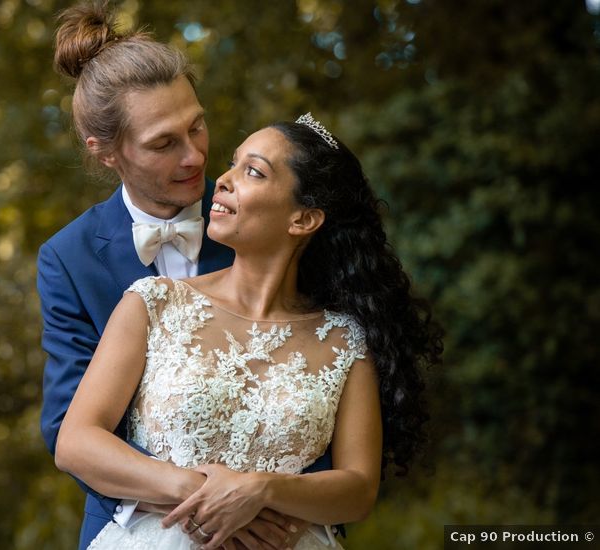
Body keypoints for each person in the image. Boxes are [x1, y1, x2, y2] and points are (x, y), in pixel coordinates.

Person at [54, 115, 444, 549]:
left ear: (303, 219)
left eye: (253, 172)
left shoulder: (345, 340)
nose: (222, 180)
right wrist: (204, 494)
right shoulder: (154, 303)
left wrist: (262, 491)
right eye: (233, 164)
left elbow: (358, 490)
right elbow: (76, 441)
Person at [37, 2, 337, 549]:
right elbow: (70, 430)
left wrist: (270, 498)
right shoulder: (69, 258)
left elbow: (323, 371)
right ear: (105, 152)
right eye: (163, 143)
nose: (195, 156)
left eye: (197, 126)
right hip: (140, 529)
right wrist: (210, 498)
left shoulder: (266, 220)